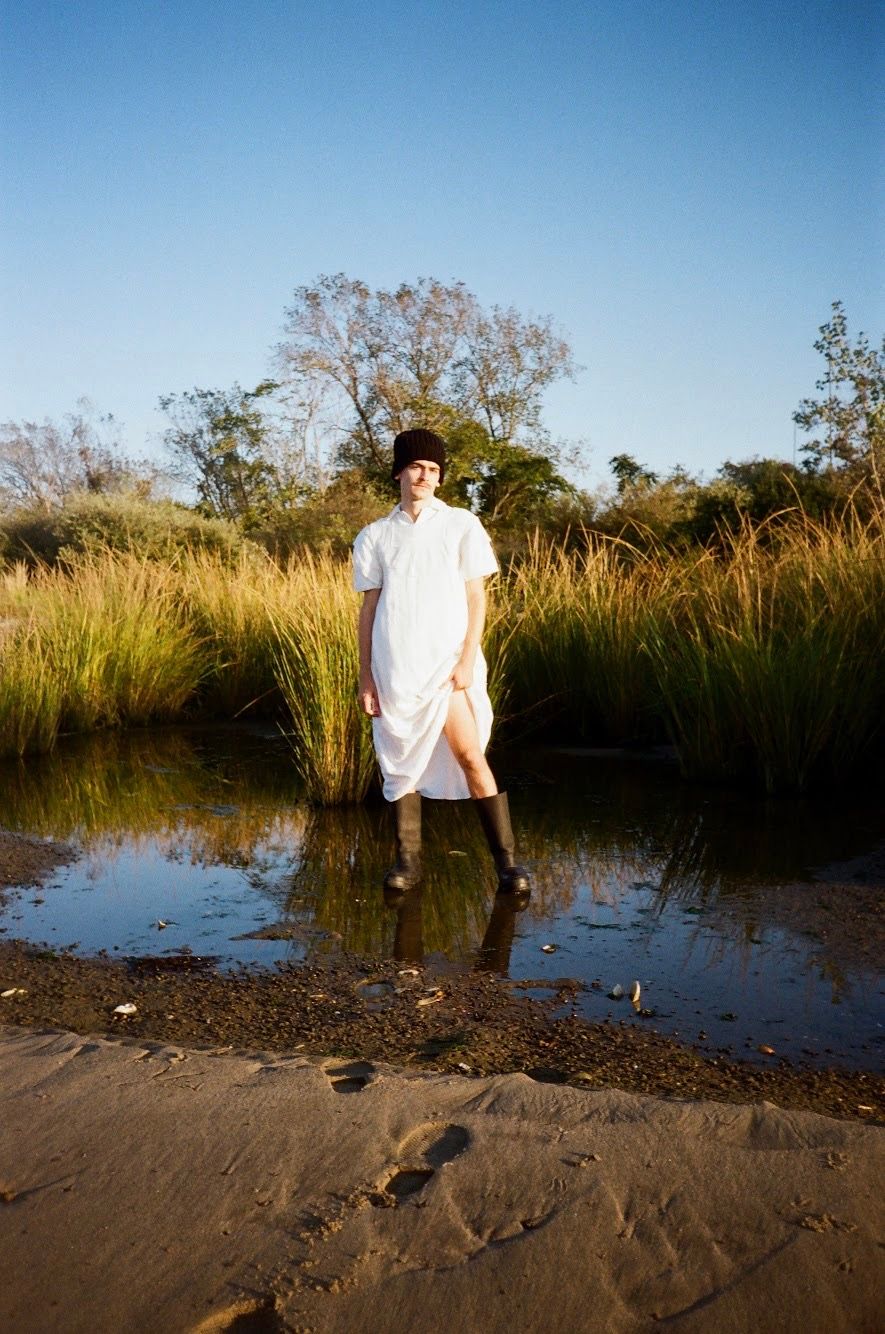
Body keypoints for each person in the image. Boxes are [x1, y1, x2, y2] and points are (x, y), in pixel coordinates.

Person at [353, 428, 530, 899]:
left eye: (433, 469)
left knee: (471, 756)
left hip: (447, 666)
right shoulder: (375, 535)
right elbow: (369, 609)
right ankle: (407, 864)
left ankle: (508, 866)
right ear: (399, 471)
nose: (425, 476)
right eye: (417, 466)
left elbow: (477, 597)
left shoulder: (461, 524)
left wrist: (467, 658)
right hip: (395, 666)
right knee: (400, 764)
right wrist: (366, 676)